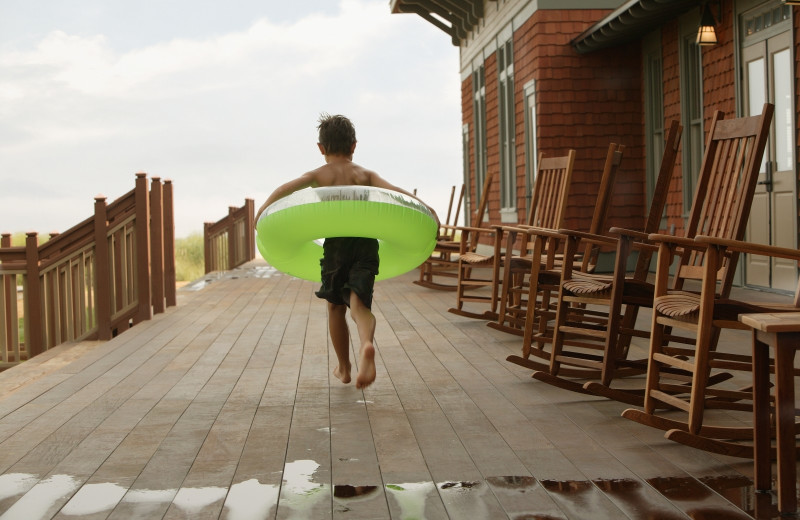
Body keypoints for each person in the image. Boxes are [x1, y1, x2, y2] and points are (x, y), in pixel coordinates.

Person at [257, 114, 438, 389]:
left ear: (321, 148)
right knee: (359, 303)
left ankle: (344, 367)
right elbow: (396, 193)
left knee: (334, 307)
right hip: (366, 244)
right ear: (354, 145)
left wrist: (263, 212)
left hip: (337, 247)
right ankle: (367, 344)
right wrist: (426, 208)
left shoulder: (320, 174)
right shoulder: (364, 175)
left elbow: (286, 189)